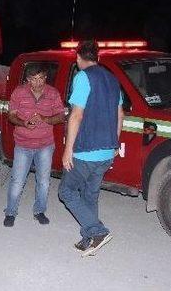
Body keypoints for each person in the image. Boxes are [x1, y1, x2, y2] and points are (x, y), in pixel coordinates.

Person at [58, 40, 124, 257]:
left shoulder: (82, 77)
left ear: (78, 59)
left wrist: (68, 150)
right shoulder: (113, 80)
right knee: (90, 195)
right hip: (106, 152)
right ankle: (90, 240)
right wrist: (115, 142)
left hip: (86, 151)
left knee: (66, 191)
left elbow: (76, 114)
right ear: (98, 57)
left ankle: (97, 231)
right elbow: (120, 114)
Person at [3, 64, 66, 227]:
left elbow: (61, 116)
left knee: (44, 181)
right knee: (17, 180)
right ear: (28, 80)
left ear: (46, 77)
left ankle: (39, 211)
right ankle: (10, 212)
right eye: (35, 79)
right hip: (23, 145)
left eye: (42, 78)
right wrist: (24, 123)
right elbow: (11, 116)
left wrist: (45, 119)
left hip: (45, 145)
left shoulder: (52, 93)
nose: (39, 82)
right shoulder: (19, 92)